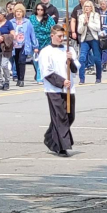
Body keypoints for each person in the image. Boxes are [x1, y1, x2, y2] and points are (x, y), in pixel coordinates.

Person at [40, 25, 80, 156]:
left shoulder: (69, 50)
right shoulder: (46, 52)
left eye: (63, 36)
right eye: (59, 36)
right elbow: (46, 72)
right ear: (52, 36)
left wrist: (71, 61)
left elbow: (75, 70)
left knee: (69, 116)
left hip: (69, 89)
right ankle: (62, 146)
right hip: (54, 89)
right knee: (60, 116)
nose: (62, 39)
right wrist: (62, 81)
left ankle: (50, 137)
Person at [10, 3, 38, 87]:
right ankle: (18, 78)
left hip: (24, 45)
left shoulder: (27, 22)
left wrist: (35, 46)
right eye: (17, 11)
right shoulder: (11, 22)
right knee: (16, 62)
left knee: (22, 61)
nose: (18, 13)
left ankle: (21, 79)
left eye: (20, 11)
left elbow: (32, 34)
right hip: (14, 45)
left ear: (23, 13)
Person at [78, 0, 102, 83]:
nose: (86, 8)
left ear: (91, 8)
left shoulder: (95, 15)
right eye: (85, 6)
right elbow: (79, 31)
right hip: (85, 40)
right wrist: (84, 24)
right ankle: (81, 79)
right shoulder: (81, 16)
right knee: (82, 58)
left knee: (97, 59)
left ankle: (98, 78)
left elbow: (98, 28)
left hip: (94, 39)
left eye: (88, 6)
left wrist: (88, 23)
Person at [31, 3, 55, 84]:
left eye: (41, 10)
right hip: (34, 42)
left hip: (46, 41)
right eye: (38, 9)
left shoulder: (49, 19)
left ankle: (40, 78)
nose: (39, 11)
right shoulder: (32, 18)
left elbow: (53, 29)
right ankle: (40, 75)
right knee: (36, 61)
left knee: (42, 60)